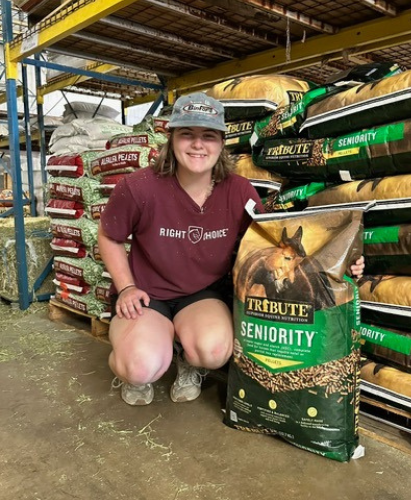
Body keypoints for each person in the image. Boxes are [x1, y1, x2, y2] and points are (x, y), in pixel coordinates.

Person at [98, 92, 365, 406]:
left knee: (214, 351)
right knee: (140, 366)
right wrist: (126, 287)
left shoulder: (238, 191)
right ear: (171, 139)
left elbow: (275, 243)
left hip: (200, 294)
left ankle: (186, 359)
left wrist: (338, 261)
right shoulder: (138, 187)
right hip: (146, 293)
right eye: (187, 134)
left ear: (222, 142)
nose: (198, 144)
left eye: (208, 136)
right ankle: (138, 365)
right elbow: (109, 236)